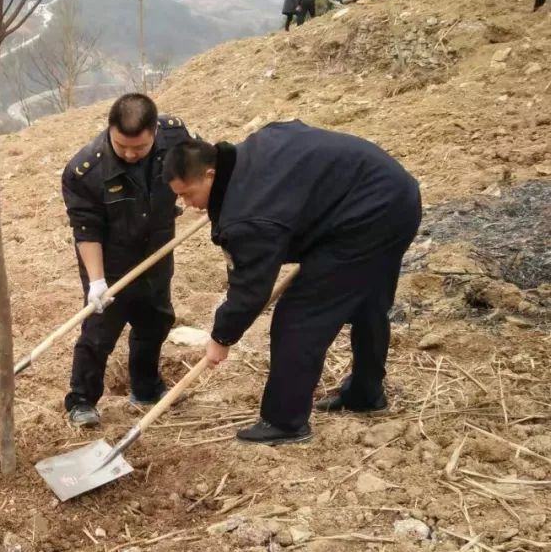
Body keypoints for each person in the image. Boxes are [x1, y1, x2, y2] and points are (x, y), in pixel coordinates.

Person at [162, 121, 421, 445]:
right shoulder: (246, 157)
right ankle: (366, 394)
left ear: (211, 174)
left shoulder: (250, 215)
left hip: (368, 216)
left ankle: (284, 422)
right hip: (394, 193)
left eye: (188, 194)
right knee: (367, 301)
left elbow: (252, 288)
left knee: (299, 317)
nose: (187, 205)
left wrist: (221, 336)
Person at [60, 94, 191, 427]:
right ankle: (81, 400)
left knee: (155, 322)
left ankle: (146, 388)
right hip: (110, 259)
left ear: (154, 133)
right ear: (110, 130)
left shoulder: (174, 136)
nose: (131, 154)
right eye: (122, 147)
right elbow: (85, 229)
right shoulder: (84, 170)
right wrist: (97, 282)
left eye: (140, 148)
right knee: (99, 332)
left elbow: (197, 165)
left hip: (158, 252)